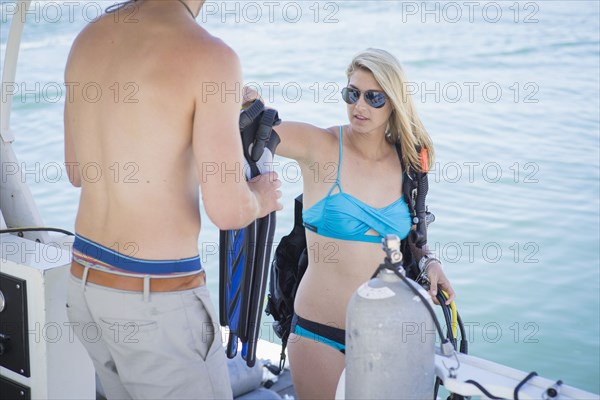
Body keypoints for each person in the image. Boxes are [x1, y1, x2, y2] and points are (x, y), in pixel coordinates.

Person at [63, 1, 282, 398]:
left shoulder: (88, 38)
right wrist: (261, 197)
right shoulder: (211, 57)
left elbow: (77, 170)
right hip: (155, 303)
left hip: (86, 284)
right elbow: (229, 210)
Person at [247, 48, 455, 399]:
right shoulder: (321, 146)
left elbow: (415, 238)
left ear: (393, 102)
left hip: (387, 333)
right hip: (319, 333)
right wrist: (248, 104)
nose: (360, 106)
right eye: (352, 93)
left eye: (374, 97)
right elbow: (265, 131)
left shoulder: (409, 162)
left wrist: (430, 261)